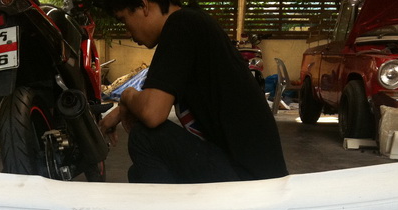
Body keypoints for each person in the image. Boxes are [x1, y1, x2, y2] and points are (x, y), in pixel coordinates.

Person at [98, 0, 288, 183]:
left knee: (144, 136)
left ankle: (168, 207)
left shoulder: (181, 24)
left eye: (124, 20)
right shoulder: (192, 24)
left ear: (143, 5)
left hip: (253, 180)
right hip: (249, 173)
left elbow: (152, 112)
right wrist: (121, 110)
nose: (128, 32)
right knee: (138, 173)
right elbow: (155, 97)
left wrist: (126, 95)